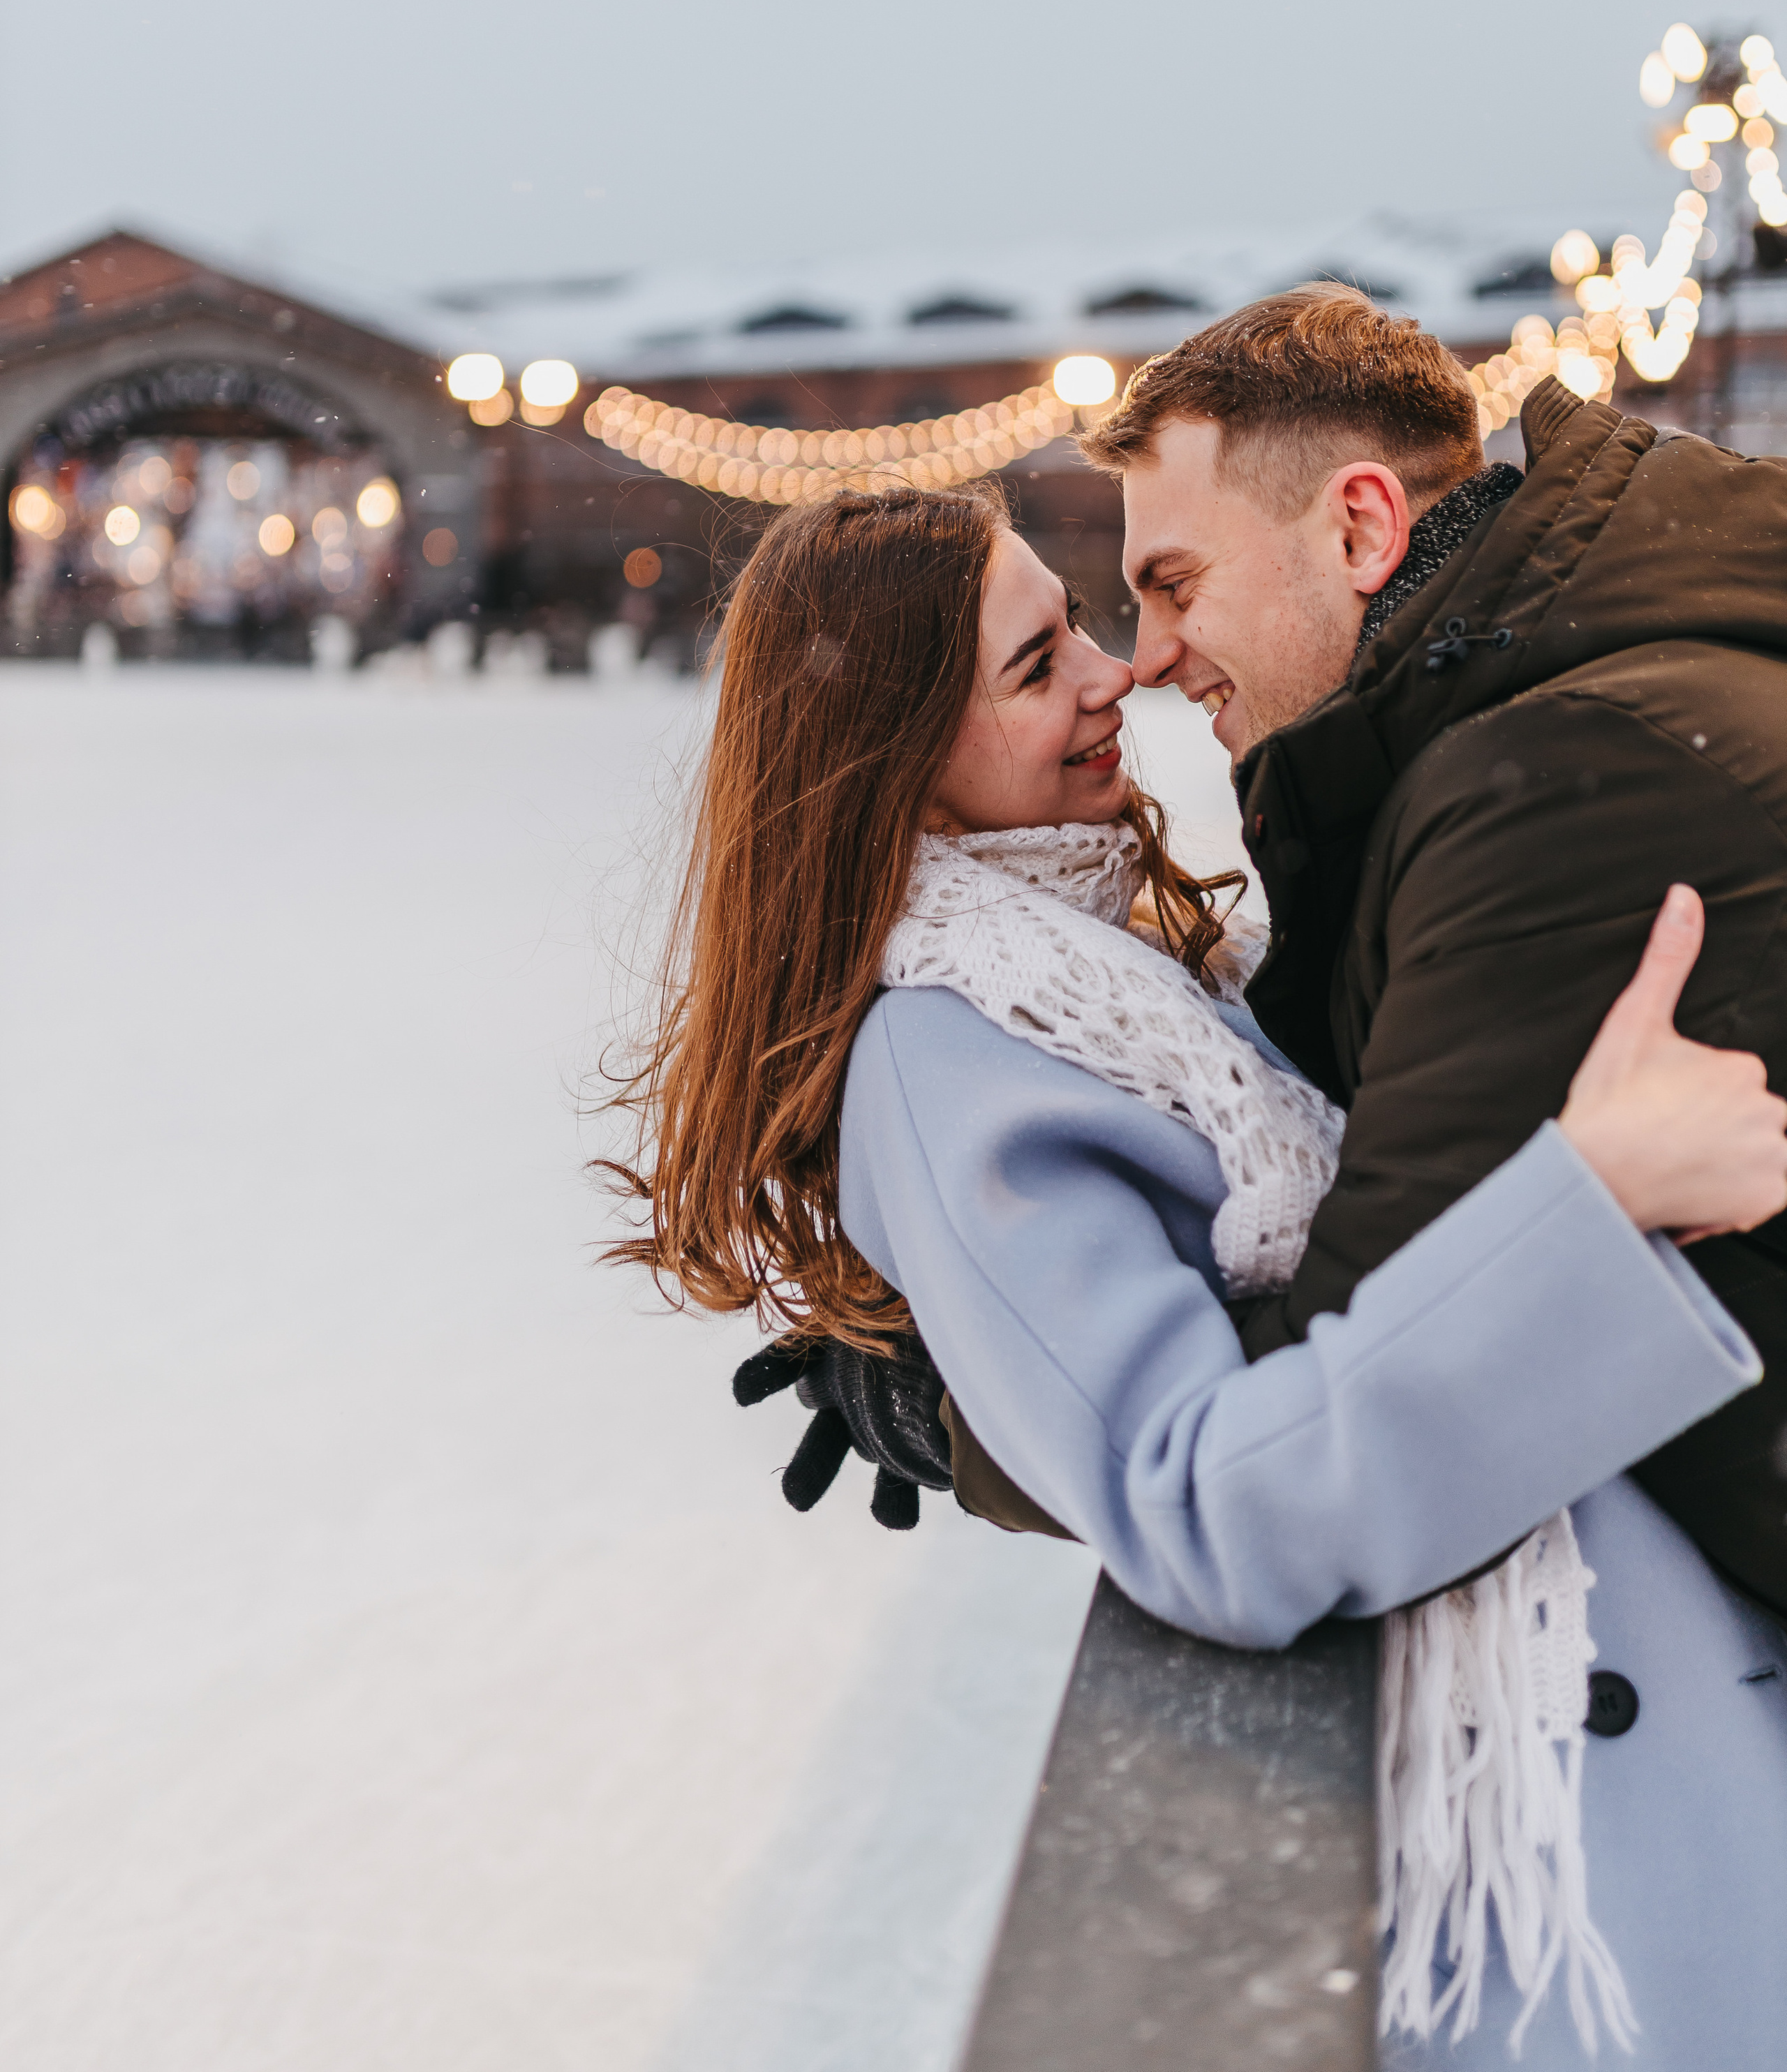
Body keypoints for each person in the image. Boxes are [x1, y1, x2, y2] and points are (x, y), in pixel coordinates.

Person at [606, 477, 1787, 2065]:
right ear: (899, 776)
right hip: (1529, 1834)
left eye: (1077, 624)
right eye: (1036, 669)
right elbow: (1202, 1508)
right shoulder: (946, 1057)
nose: (1113, 674)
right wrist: (1596, 1194)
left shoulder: (1129, 967)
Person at [1082, 285, 1787, 1614]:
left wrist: (963, 1397)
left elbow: (1332, 1431)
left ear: (1360, 527)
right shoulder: (1561, 707)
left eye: (1174, 585)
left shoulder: (1563, 779)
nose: (1149, 658)